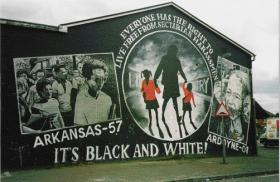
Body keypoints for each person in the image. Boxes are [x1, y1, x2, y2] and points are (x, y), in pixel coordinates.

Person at [154, 45, 187, 138]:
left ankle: (171, 116)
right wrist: (185, 78)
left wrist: (156, 78)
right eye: (174, 51)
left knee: (170, 100)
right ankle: (171, 115)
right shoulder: (175, 60)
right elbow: (159, 69)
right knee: (170, 100)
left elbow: (159, 69)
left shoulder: (170, 59)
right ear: (173, 51)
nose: (175, 53)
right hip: (171, 83)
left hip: (170, 83)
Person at [74, 59, 114, 125]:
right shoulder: (81, 99)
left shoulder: (107, 98)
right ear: (87, 79)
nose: (100, 84)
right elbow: (79, 126)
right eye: (96, 79)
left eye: (103, 79)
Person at [141, 69, 170, 138]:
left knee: (156, 112)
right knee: (150, 113)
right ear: (144, 76)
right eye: (145, 75)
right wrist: (144, 97)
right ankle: (150, 123)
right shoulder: (143, 82)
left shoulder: (152, 82)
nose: (146, 76)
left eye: (147, 75)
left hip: (153, 99)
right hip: (148, 100)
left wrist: (156, 85)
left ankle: (157, 123)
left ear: (149, 75)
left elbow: (159, 92)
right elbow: (142, 90)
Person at [224, 70, 250, 143]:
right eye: (228, 92)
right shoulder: (221, 122)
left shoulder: (247, 127)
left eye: (237, 96)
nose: (230, 101)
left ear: (245, 100)